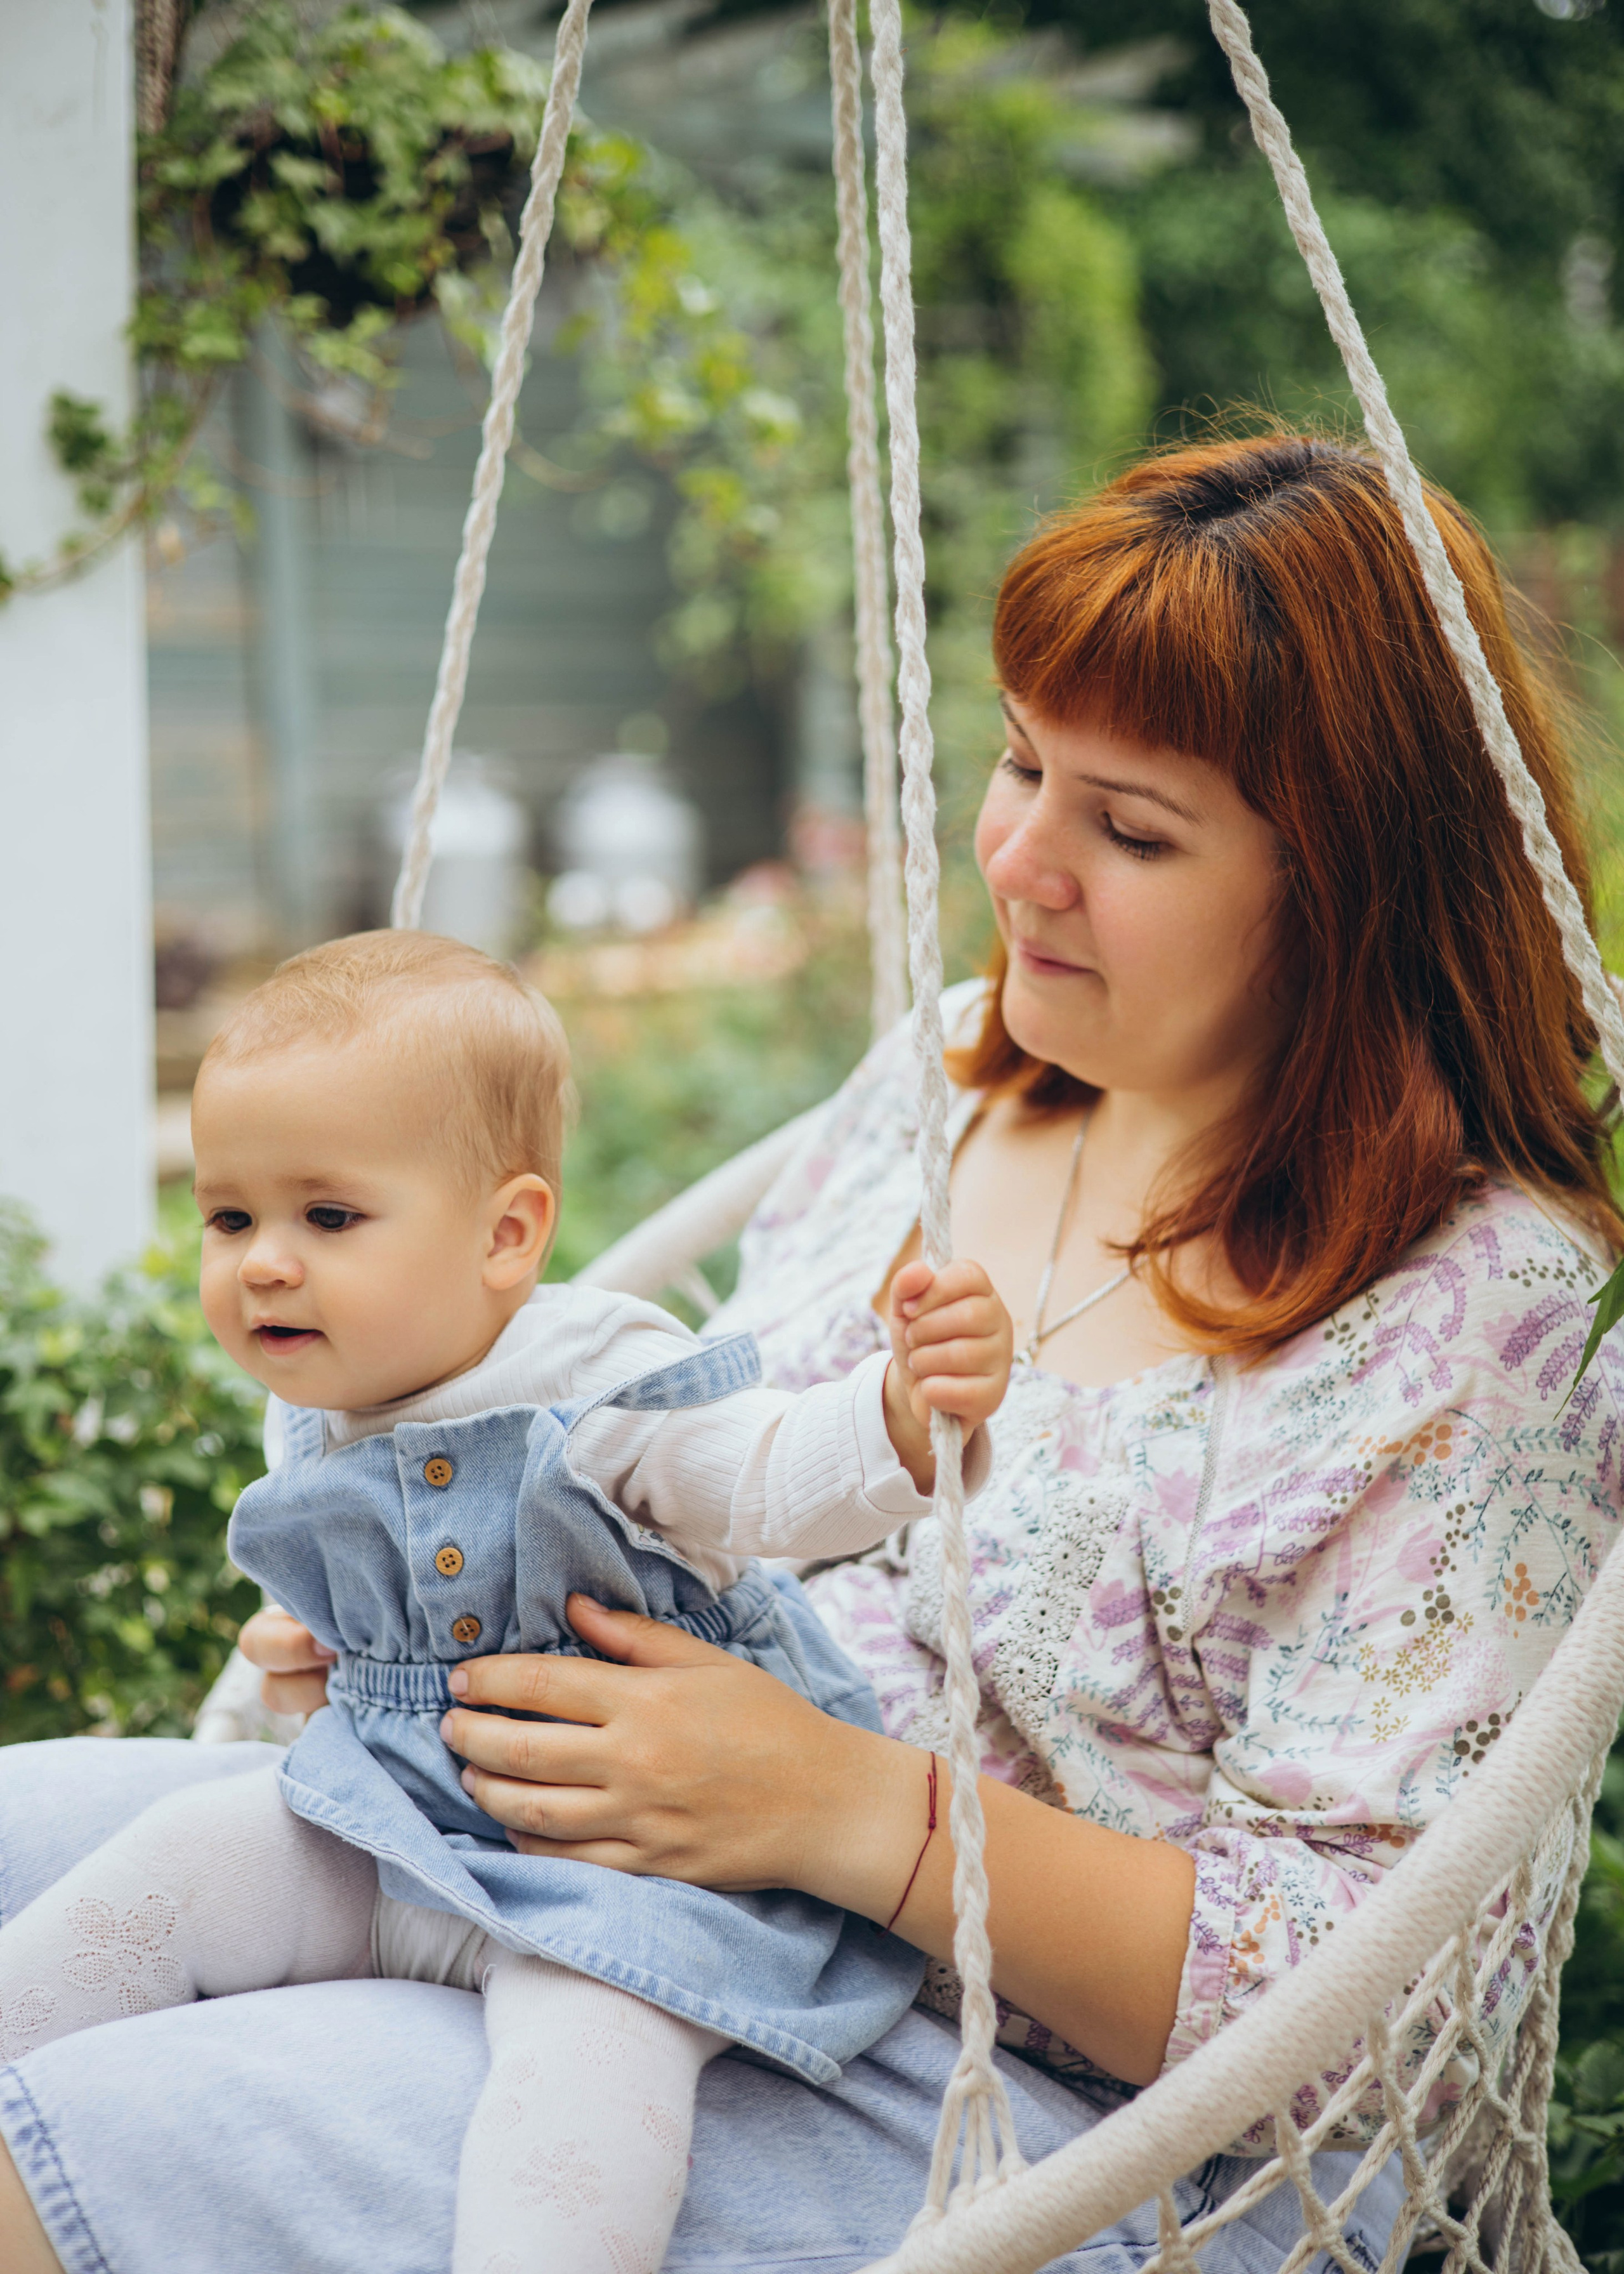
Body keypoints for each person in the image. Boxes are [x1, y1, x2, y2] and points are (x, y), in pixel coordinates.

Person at [3, 433, 1621, 2274]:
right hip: (572, 1868)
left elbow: (1377, 2030)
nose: (1021, 860)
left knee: (98, 2139)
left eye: (1134, 828)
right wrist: (457, 1582)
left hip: (1051, 2118)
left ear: (1350, 894)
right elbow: (685, 1456)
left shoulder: (1477, 1319)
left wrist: (841, 1804)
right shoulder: (947, 1081)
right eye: (1024, 763)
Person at [0, 928, 1013, 2274]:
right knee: (171, 1869)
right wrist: (324, 1660)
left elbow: (769, 1482)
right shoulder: (316, 1404)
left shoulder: (591, 1394)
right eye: (230, 1216)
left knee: (584, 2080)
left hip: (629, 1866)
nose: (262, 1262)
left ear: (506, 1233)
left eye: (328, 1217)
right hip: (402, 1817)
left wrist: (894, 1417)